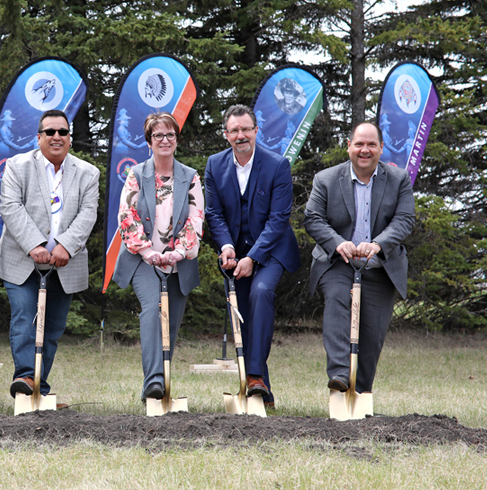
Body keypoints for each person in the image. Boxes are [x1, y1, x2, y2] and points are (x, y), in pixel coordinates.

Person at [0, 109, 100, 400]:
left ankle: (39, 386)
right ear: (38, 137)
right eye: (50, 132)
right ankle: (25, 377)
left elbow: (88, 214)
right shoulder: (17, 166)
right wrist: (35, 245)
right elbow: (10, 207)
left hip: (65, 264)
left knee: (51, 329)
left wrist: (66, 245)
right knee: (25, 318)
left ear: (70, 138)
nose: (56, 137)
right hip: (21, 260)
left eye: (62, 132)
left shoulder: (88, 173)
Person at [303, 122, 415, 395]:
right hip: (337, 264)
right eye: (359, 144)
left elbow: (404, 220)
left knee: (372, 336)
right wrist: (338, 243)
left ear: (381, 148)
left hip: (380, 266)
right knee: (338, 300)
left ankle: (361, 394)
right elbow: (313, 218)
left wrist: (378, 244)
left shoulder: (399, 179)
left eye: (371, 145)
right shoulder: (326, 179)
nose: (365, 150)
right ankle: (340, 375)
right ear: (349, 147)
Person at [204, 104, 300, 408]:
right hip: (234, 253)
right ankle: (262, 393)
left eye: (246, 129)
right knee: (241, 313)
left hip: (271, 251)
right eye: (234, 130)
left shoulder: (277, 165)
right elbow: (213, 213)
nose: (241, 135)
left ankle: (254, 375)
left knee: (260, 291)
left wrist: (253, 258)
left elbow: (278, 219)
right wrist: (226, 246)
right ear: (226, 134)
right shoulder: (214, 165)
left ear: (256, 131)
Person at [113, 112, 204, 401]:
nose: (165, 140)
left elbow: (196, 218)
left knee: (172, 321)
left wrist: (179, 252)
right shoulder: (137, 174)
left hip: (179, 260)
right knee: (153, 310)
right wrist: (148, 251)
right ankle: (154, 382)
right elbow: (127, 216)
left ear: (177, 139)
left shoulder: (190, 177)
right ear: (149, 141)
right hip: (142, 259)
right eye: (158, 135)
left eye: (170, 135)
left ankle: (159, 381)